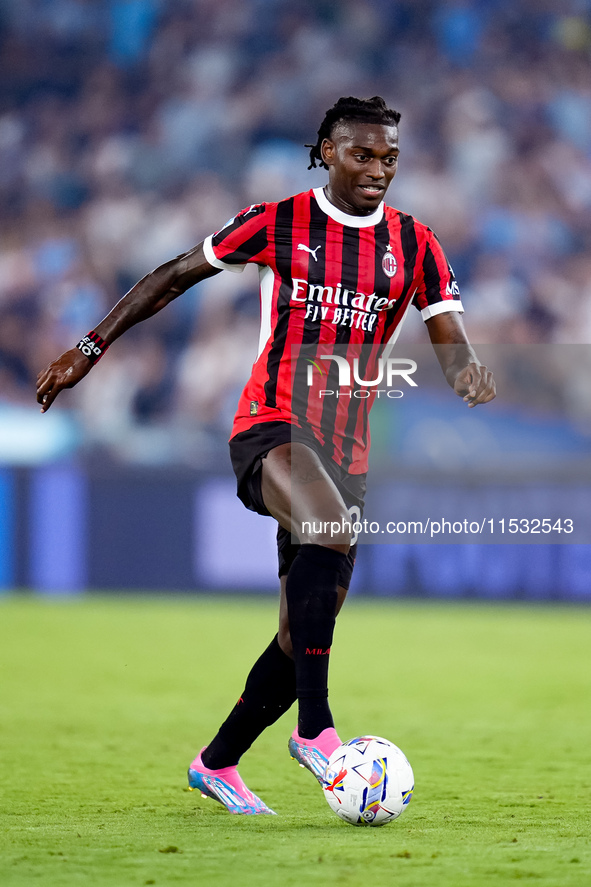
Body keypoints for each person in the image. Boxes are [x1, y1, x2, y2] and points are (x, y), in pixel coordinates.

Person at [37, 95, 496, 816]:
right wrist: (89, 348)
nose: (378, 169)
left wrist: (468, 372)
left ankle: (216, 761)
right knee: (326, 526)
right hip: (272, 428)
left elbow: (449, 333)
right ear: (327, 150)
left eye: (390, 158)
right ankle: (316, 731)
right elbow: (171, 275)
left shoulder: (414, 242)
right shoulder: (277, 221)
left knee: (299, 631)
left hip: (348, 449)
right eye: (362, 153)